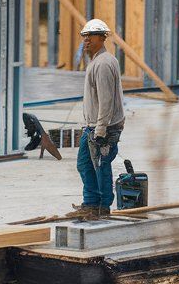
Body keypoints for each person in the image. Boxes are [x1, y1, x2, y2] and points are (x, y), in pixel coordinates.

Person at [75, 18, 125, 220]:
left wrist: (101, 130)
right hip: (94, 126)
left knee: (101, 166)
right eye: (85, 37)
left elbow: (107, 101)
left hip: (103, 127)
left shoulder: (103, 64)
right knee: (85, 164)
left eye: (91, 37)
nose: (86, 41)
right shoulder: (98, 61)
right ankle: (91, 203)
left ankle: (103, 207)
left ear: (102, 38)